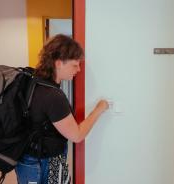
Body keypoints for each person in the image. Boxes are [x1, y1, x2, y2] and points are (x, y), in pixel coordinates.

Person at [15, 34, 109, 184]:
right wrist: (99, 109)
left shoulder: (33, 81)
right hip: (45, 163)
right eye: (74, 64)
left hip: (26, 160)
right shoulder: (53, 96)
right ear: (58, 63)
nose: (78, 69)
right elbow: (76, 135)